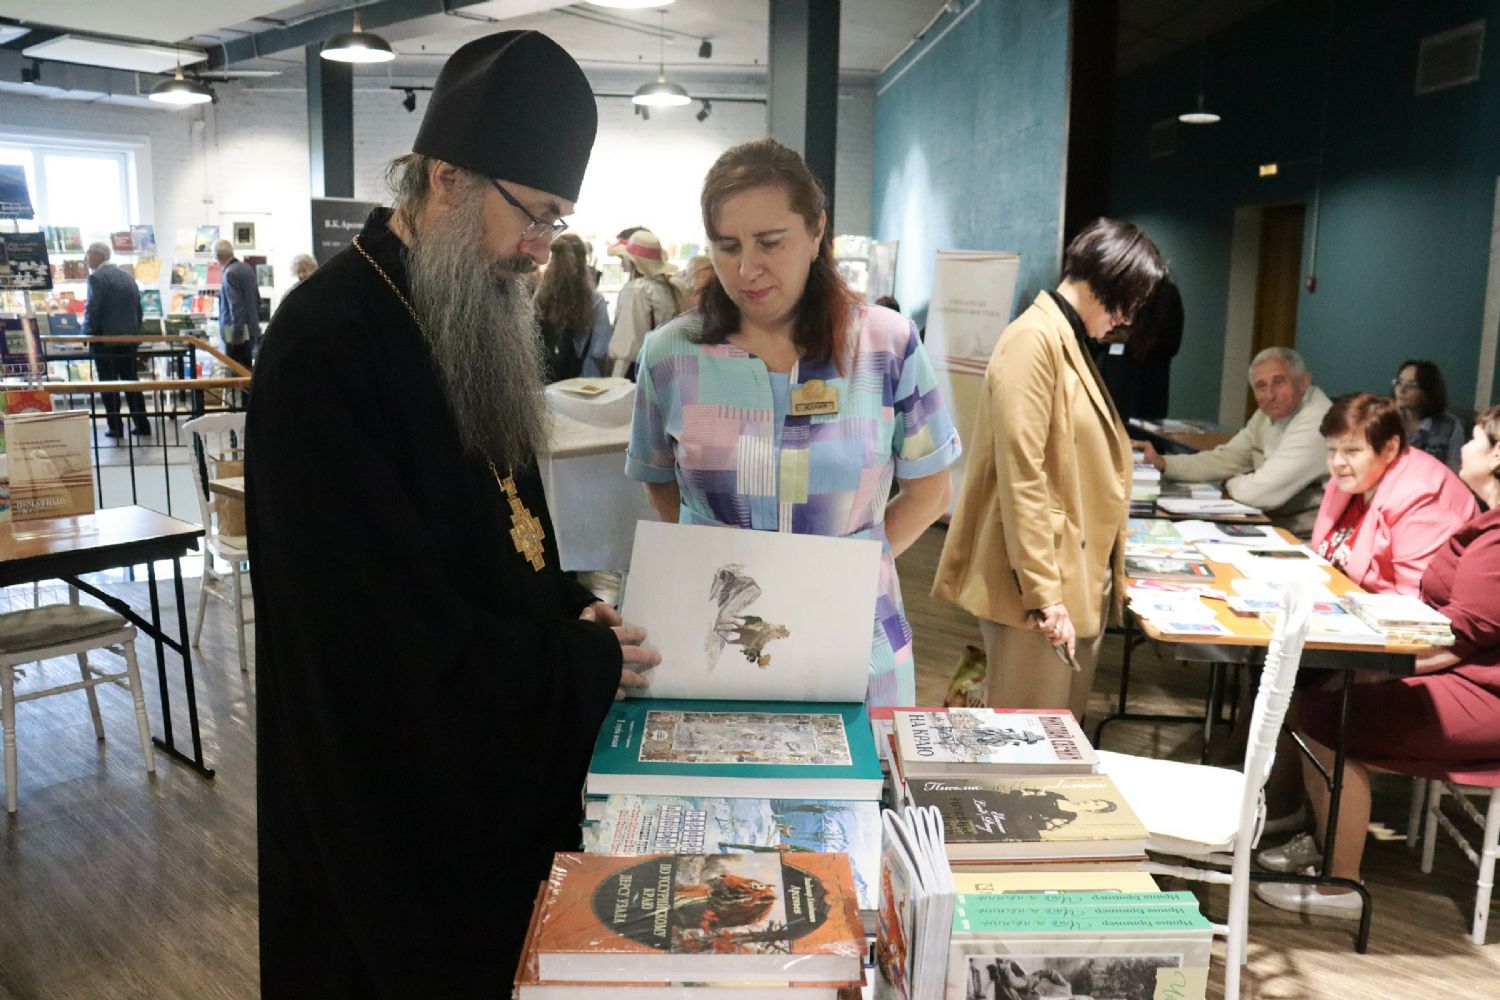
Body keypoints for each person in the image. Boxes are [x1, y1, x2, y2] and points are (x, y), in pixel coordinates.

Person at [246, 31, 658, 996]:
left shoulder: (464, 312)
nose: (540, 250)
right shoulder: (327, 345)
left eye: (557, 222)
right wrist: (575, 667)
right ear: (446, 178)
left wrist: (567, 605)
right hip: (385, 830)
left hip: (479, 806)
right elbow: (378, 640)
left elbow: (500, 534)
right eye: (535, 216)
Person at [626, 138, 960, 707]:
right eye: (727, 246)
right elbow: (660, 482)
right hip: (714, 638)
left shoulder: (887, 344)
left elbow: (931, 490)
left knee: (859, 762)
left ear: (816, 231)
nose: (746, 268)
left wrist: (852, 564)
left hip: (855, 635)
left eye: (770, 242)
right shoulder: (670, 355)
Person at [1255, 404, 1500, 918]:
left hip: (1484, 691)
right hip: (1468, 672)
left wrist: (1374, 670)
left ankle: (1340, 885)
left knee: (1327, 714)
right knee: (1318, 695)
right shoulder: (1489, 519)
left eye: (1476, 438)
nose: (1463, 446)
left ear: (1498, 457)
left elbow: (1462, 635)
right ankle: (1321, 837)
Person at [933, 218, 1166, 722]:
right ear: (1114, 280)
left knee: (1051, 737)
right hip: (1039, 591)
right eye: (1133, 300)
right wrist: (1043, 592)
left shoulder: (1064, 339)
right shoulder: (1033, 340)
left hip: (1065, 581)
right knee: (1027, 742)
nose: (1129, 317)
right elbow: (1023, 475)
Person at [1135, 347, 1332, 537]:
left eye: (1279, 382)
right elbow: (1226, 459)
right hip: (1274, 523)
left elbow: (1259, 492)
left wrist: (1228, 482)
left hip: (1305, 538)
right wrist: (1162, 463)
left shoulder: (1318, 422)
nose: (1270, 395)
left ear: (1303, 381)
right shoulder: (1267, 414)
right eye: (1261, 386)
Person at [1310, 392, 1477, 593]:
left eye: (1352, 451)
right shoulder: (1349, 479)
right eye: (1331, 450)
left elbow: (1415, 603)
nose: (1337, 462)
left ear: (1390, 448)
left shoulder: (1418, 496)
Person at [81, 241, 151, 439]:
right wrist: (136, 335)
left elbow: (93, 308)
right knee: (132, 383)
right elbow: (138, 309)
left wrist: (87, 332)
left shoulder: (96, 278)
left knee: (108, 385)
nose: (86, 259)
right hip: (128, 340)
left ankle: (116, 426)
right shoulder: (127, 277)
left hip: (105, 341)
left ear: (98, 255)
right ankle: (142, 424)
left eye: (88, 254)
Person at [1091, 275, 1182, 422]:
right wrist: (1101, 335)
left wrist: (1129, 339)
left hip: (1142, 384)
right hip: (1107, 370)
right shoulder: (1115, 286)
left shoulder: (1165, 294)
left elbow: (1170, 342)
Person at [606, 227, 688, 377]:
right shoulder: (671, 288)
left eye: (624, 258)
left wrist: (616, 379)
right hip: (666, 366)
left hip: (637, 368)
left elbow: (627, 347)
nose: (622, 263)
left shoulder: (637, 290)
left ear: (634, 262)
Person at [534, 232, 609, 381]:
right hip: (585, 381)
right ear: (583, 261)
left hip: (548, 380)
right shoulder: (596, 301)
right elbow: (600, 350)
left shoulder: (541, 296)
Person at [1394, 359, 1465, 470]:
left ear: (1428, 391)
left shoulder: (1451, 427)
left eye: (1411, 385)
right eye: (1399, 382)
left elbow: (1454, 472)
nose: (1401, 390)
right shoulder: (1385, 421)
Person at [215, 238, 260, 369]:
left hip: (235, 333)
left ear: (218, 257)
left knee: (235, 372)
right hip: (251, 329)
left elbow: (235, 306)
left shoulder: (229, 273)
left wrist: (236, 334)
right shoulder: (247, 268)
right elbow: (257, 299)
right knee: (247, 371)